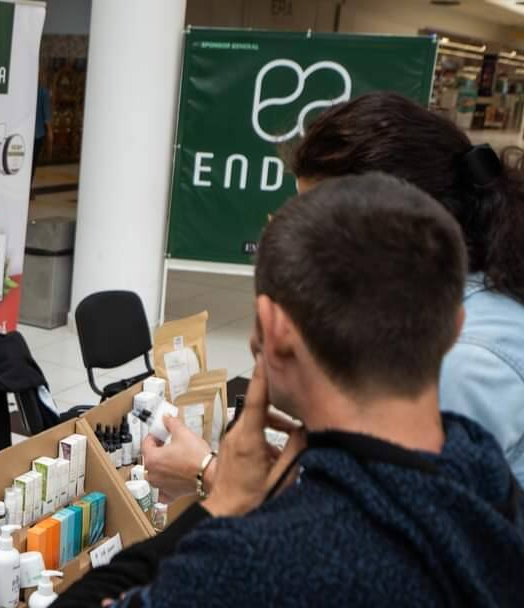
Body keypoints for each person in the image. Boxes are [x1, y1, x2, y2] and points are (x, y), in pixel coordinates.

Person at [57, 173, 524, 607]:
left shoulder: (257, 563)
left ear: (274, 329)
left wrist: (221, 504)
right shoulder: (489, 474)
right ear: (453, 327)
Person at [142, 92, 524, 500]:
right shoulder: (438, 296)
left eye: (321, 229)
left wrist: (208, 474)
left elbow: (379, 532)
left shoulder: (461, 364)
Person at [30, 77, 53, 198]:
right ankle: (28, 188)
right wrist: (50, 133)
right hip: (37, 135)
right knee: (32, 163)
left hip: (25, 134)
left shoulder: (26, 91)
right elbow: (47, 116)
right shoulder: (43, 92)